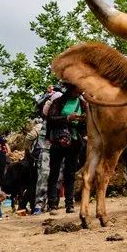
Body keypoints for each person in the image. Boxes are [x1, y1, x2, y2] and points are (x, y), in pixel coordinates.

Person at [45, 82, 87, 214]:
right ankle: (52, 204)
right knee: (54, 172)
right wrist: (67, 118)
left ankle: (70, 204)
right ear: (73, 87)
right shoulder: (59, 101)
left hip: (74, 142)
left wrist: (82, 121)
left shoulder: (82, 103)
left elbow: (84, 124)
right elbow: (51, 119)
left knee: (70, 174)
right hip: (59, 142)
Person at [30, 85, 60, 215]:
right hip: (46, 146)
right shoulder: (47, 100)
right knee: (44, 175)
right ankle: (39, 204)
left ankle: (53, 203)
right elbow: (38, 106)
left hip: (60, 143)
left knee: (59, 175)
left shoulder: (65, 100)